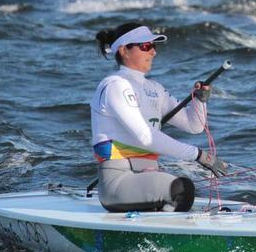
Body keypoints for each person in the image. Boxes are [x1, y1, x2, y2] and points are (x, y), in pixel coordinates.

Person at [91, 22, 228, 212]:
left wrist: (200, 101)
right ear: (124, 50)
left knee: (183, 190)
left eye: (153, 46)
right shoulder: (115, 85)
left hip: (148, 175)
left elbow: (194, 126)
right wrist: (197, 155)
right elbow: (146, 137)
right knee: (182, 189)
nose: (153, 52)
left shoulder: (155, 89)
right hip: (119, 181)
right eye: (146, 46)